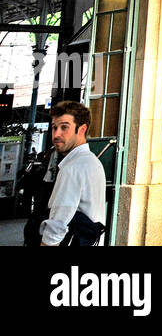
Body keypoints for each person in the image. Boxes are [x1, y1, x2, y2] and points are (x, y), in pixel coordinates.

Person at [39, 102, 106, 246]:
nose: (56, 134)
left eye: (64, 127)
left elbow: (57, 226)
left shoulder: (73, 168)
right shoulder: (93, 162)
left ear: (82, 130)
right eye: (54, 127)